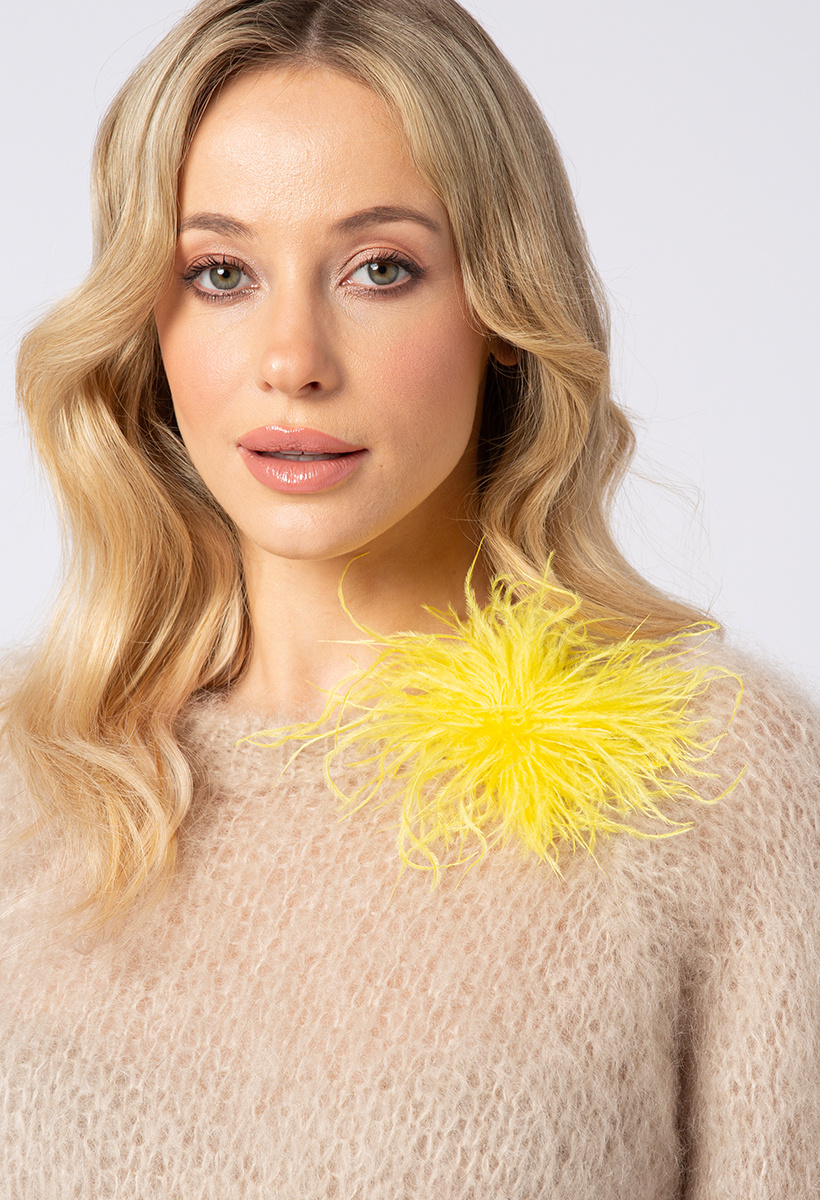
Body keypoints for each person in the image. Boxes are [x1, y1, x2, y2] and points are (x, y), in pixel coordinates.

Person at [1, 0, 818, 1195]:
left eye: (380, 269)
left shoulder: (711, 780)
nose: (292, 360)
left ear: (500, 307)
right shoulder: (36, 774)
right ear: (146, 320)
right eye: (220, 273)